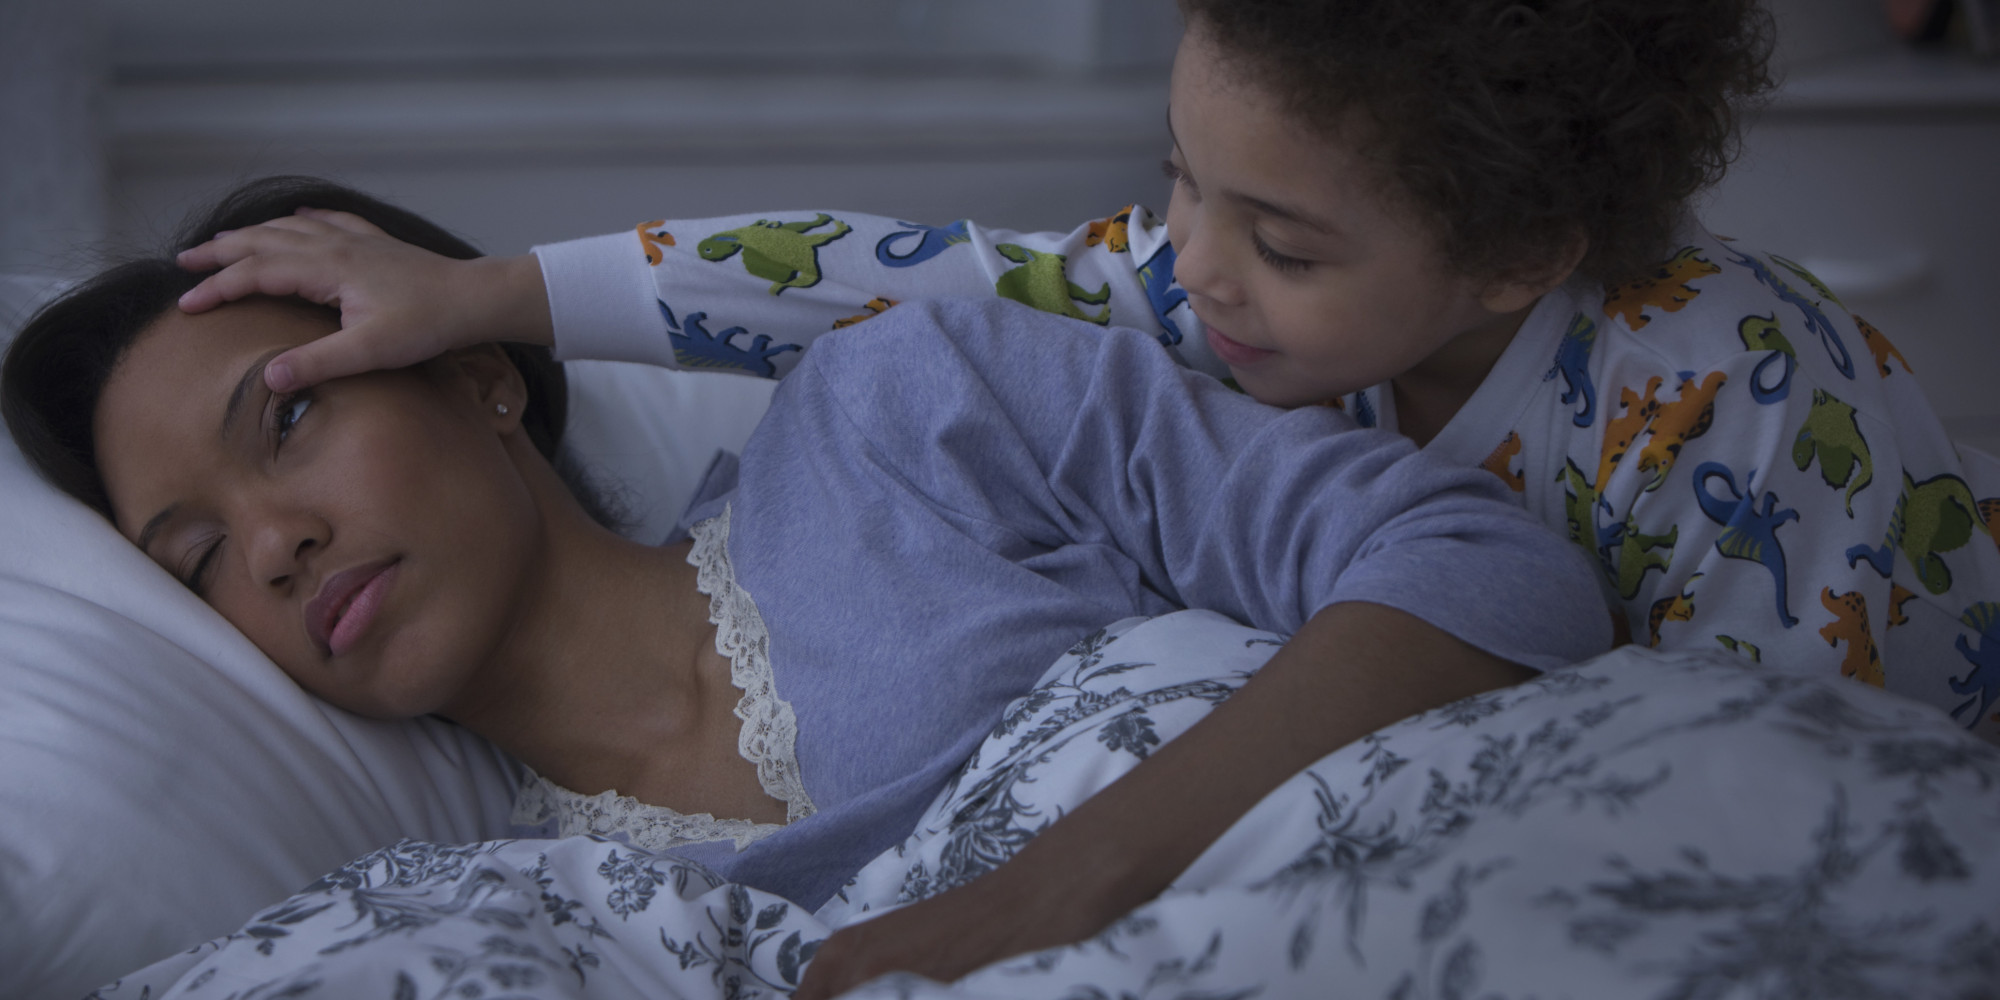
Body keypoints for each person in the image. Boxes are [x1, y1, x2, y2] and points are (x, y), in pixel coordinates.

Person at [178, 0, 2000, 757]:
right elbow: (879, 275)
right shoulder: (1206, 288)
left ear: (1520, 257)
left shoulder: (1748, 395)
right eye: (1179, 180)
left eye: (1282, 244)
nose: (1190, 268)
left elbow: (1819, 760)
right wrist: (484, 290)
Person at [2, 177, 1610, 997]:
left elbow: (1487, 568)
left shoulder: (905, 410)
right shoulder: (512, 915)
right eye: (198, 559)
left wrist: (1060, 887)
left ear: (480, 375)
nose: (270, 542)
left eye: (287, 420)